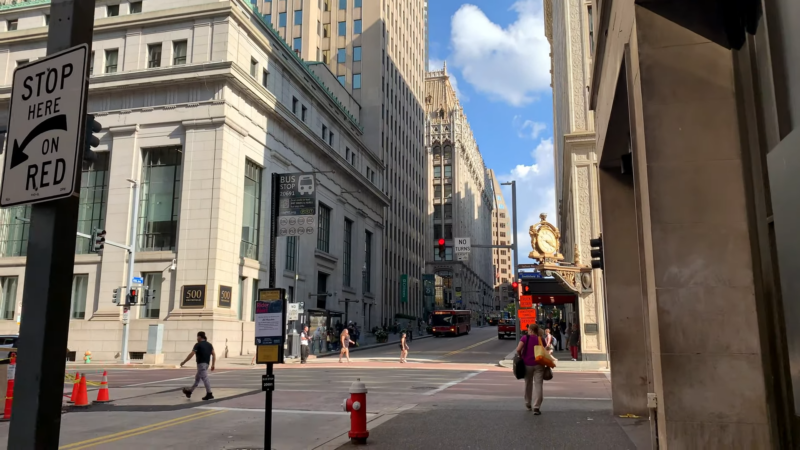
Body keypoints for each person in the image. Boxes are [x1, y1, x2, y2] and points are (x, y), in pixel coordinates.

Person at [516, 323, 545, 415]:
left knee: (528, 384)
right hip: (539, 364)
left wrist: (521, 356)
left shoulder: (525, 338)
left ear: (531, 330)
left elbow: (518, 349)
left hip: (527, 364)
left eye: (528, 329)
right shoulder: (541, 339)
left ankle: (528, 403)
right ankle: (536, 407)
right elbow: (544, 350)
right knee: (538, 385)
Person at [180, 331, 216, 400]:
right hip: (206, 364)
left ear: (199, 337)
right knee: (197, 379)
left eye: (197, 337)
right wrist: (213, 364)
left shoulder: (198, 344)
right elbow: (214, 354)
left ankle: (209, 393)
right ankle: (190, 391)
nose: (197, 338)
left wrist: (184, 362)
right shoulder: (209, 345)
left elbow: (192, 354)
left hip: (201, 364)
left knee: (205, 378)